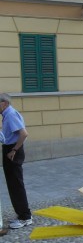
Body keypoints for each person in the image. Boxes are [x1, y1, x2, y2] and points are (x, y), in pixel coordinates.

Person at [0, 93, 32, 229]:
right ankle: (21, 214)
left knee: (16, 184)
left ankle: (25, 217)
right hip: (9, 149)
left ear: (4, 103)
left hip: (12, 151)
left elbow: (24, 134)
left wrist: (13, 150)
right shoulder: (7, 114)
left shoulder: (11, 114)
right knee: (13, 184)